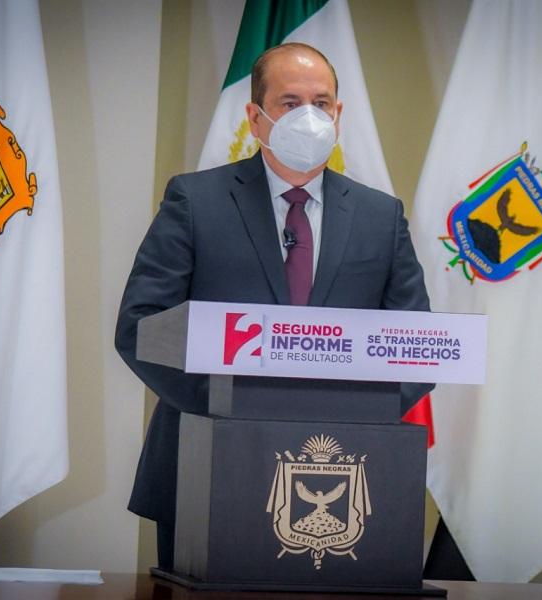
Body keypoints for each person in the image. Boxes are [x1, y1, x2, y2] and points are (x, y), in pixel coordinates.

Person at [115, 42, 433, 570]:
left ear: (338, 114)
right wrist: (227, 407)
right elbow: (141, 326)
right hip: (204, 461)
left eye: (321, 103)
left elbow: (415, 343)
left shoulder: (381, 216)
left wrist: (351, 414)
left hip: (347, 468)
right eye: (290, 103)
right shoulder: (196, 201)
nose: (309, 116)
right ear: (255, 118)